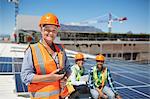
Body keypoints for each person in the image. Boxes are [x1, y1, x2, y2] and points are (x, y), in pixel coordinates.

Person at [21, 13, 71, 99]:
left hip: (60, 96)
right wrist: (49, 78)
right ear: (41, 29)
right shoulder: (32, 50)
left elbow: (68, 69)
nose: (51, 33)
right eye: (47, 29)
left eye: (54, 30)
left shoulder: (61, 49)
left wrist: (65, 77)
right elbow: (25, 76)